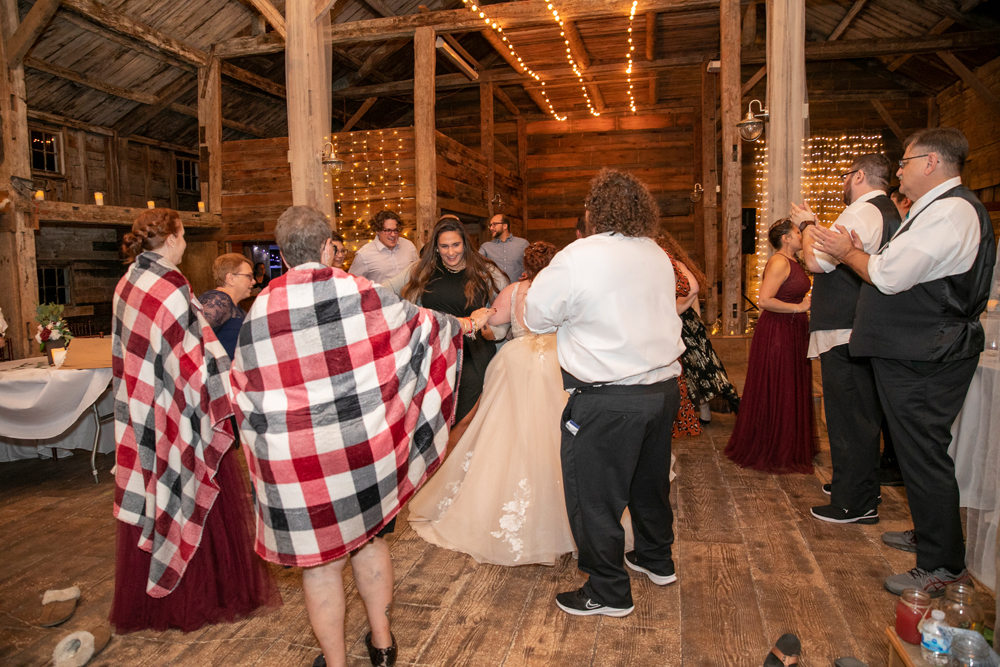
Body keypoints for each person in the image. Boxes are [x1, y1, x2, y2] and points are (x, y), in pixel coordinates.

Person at [231, 206, 491, 667]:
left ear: (284, 256)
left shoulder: (263, 306)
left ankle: (335, 662)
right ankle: (383, 645)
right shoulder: (358, 290)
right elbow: (419, 325)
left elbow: (245, 385)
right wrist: (467, 324)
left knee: (321, 566)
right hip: (360, 448)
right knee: (370, 542)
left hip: (300, 461)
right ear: (327, 247)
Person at [811, 127, 996, 596]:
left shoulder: (951, 212)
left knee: (924, 453)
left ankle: (943, 564)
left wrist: (848, 252)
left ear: (931, 162)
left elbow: (889, 275)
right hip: (917, 348)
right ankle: (932, 535)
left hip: (927, 350)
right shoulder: (934, 210)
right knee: (917, 451)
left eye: (906, 161)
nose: (899, 171)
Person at [525, 168, 684, 618]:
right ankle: (656, 558)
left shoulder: (579, 256)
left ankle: (608, 590)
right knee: (649, 484)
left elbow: (536, 317)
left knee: (594, 497)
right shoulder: (655, 252)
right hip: (662, 390)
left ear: (593, 210)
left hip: (609, 399)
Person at [109, 209, 277, 633]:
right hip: (180, 412)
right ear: (170, 239)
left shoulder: (128, 282)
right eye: (183, 236)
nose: (184, 244)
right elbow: (196, 358)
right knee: (190, 485)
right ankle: (204, 594)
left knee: (158, 490)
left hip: (146, 409)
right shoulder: (169, 287)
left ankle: (156, 599)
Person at [407, 241, 579, 565]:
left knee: (507, 432)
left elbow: (493, 331)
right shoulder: (565, 291)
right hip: (557, 361)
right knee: (556, 432)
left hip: (518, 360)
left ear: (526, 265)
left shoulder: (513, 291)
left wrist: (494, 330)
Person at [791, 154, 901, 525]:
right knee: (862, 416)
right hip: (864, 327)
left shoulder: (860, 211)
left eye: (845, 176)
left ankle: (854, 503)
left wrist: (807, 225)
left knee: (849, 419)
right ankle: (858, 485)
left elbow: (817, 262)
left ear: (858, 176)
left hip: (845, 329)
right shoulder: (888, 212)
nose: (842, 183)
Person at [384, 217, 509, 446]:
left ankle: (448, 466)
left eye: (456, 245)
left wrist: (497, 331)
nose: (451, 252)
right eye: (444, 246)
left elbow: (506, 303)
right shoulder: (422, 269)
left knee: (464, 419)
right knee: (435, 418)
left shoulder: (484, 270)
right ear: (436, 247)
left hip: (473, 351)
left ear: (465, 243)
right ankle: (435, 462)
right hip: (435, 351)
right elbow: (386, 290)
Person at [724, 219, 814, 474]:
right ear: (785, 238)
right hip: (778, 330)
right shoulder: (779, 262)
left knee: (790, 383)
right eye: (797, 232)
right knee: (780, 384)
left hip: (793, 329)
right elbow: (764, 300)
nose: (801, 236)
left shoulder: (795, 261)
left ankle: (789, 443)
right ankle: (774, 446)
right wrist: (799, 307)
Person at [656, 233, 741, 423]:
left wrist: (673, 311)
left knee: (704, 369)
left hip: (684, 325)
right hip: (686, 323)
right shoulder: (670, 263)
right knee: (694, 370)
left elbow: (692, 288)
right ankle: (705, 414)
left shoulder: (673, 263)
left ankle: (737, 406)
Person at [200, 253, 254, 360]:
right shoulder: (218, 300)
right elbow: (194, 337)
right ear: (230, 278)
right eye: (249, 276)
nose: (253, 281)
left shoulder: (234, 306)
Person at [349, 209, 418, 284]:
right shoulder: (364, 255)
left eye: (396, 230)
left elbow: (418, 272)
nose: (393, 234)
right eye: (388, 230)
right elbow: (351, 284)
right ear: (377, 231)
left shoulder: (409, 246)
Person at [480, 213, 530, 284]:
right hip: (495, 290)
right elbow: (475, 264)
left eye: (494, 224)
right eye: (490, 225)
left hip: (518, 289)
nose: (491, 228)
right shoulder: (485, 247)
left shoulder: (523, 244)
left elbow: (532, 264)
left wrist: (528, 273)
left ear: (505, 226)